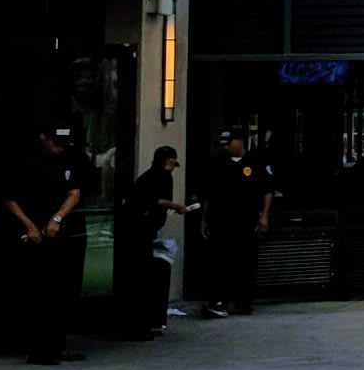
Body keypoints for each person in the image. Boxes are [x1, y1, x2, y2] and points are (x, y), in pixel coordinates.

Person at [4, 130, 88, 364]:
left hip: (58, 232)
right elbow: (11, 199)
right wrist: (29, 226)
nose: (60, 148)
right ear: (43, 138)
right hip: (33, 234)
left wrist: (58, 218)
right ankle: (38, 348)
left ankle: (58, 344)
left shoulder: (66, 160)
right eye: (56, 143)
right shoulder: (26, 164)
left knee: (61, 291)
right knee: (36, 291)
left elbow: (74, 192)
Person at [200, 131, 276, 319]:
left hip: (246, 219)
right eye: (223, 145)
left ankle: (243, 302)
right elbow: (209, 193)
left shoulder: (255, 162)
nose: (226, 147)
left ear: (240, 142)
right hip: (221, 220)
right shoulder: (218, 163)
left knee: (246, 262)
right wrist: (204, 218)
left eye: (229, 143)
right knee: (221, 262)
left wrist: (264, 215)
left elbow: (267, 190)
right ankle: (220, 301)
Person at [114, 146, 184, 340]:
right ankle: (135, 326)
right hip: (139, 231)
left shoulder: (149, 177)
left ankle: (139, 324)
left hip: (141, 230)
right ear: (167, 162)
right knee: (139, 278)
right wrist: (176, 206)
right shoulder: (158, 178)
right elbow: (156, 201)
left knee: (140, 278)